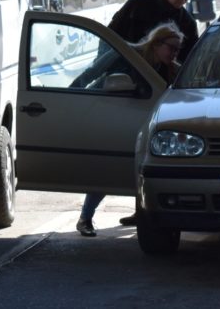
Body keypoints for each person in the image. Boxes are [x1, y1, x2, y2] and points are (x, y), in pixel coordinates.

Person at [76, 22, 184, 237]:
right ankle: (85, 217)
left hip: (140, 122)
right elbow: (92, 72)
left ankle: (141, 212)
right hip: (108, 114)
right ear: (157, 43)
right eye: (171, 48)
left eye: (177, 50)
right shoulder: (127, 53)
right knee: (107, 167)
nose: (174, 54)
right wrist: (72, 97)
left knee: (142, 167)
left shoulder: (171, 69)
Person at [108, 0, 199, 63]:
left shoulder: (188, 23)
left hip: (164, 77)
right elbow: (108, 37)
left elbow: (191, 60)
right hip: (127, 71)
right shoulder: (135, 6)